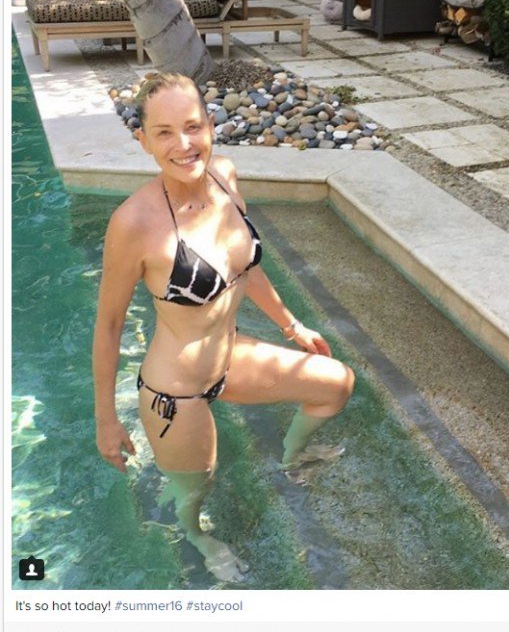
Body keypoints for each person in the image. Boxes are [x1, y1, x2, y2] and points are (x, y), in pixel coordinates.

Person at [93, 73, 355, 582]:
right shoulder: (134, 223)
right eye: (164, 132)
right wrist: (105, 419)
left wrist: (292, 325)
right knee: (198, 486)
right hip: (176, 392)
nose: (183, 144)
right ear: (143, 141)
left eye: (193, 126)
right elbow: (108, 325)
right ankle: (197, 535)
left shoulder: (226, 177)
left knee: (336, 384)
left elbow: (244, 267)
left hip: (230, 356)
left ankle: (292, 459)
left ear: (210, 125)